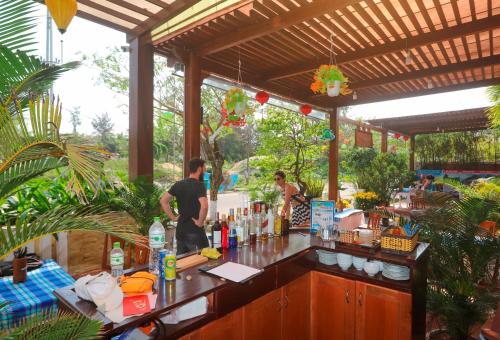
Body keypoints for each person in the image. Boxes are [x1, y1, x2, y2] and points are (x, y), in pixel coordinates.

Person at [160, 158, 209, 254]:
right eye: (204, 168)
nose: (205, 171)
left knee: (182, 263)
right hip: (195, 231)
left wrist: (173, 218)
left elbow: (163, 201)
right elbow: (204, 206)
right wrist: (200, 222)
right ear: (199, 169)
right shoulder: (199, 185)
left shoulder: (178, 184)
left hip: (181, 230)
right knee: (202, 260)